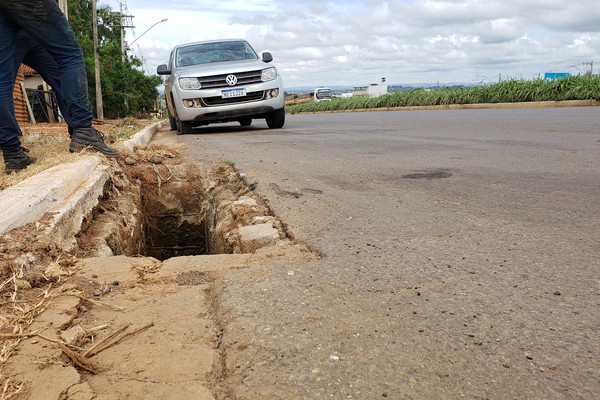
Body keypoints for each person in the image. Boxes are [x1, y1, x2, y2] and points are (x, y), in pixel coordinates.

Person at [0, 0, 119, 174]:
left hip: (22, 27)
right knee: (69, 54)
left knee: (3, 78)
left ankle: (13, 153)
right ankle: (83, 130)